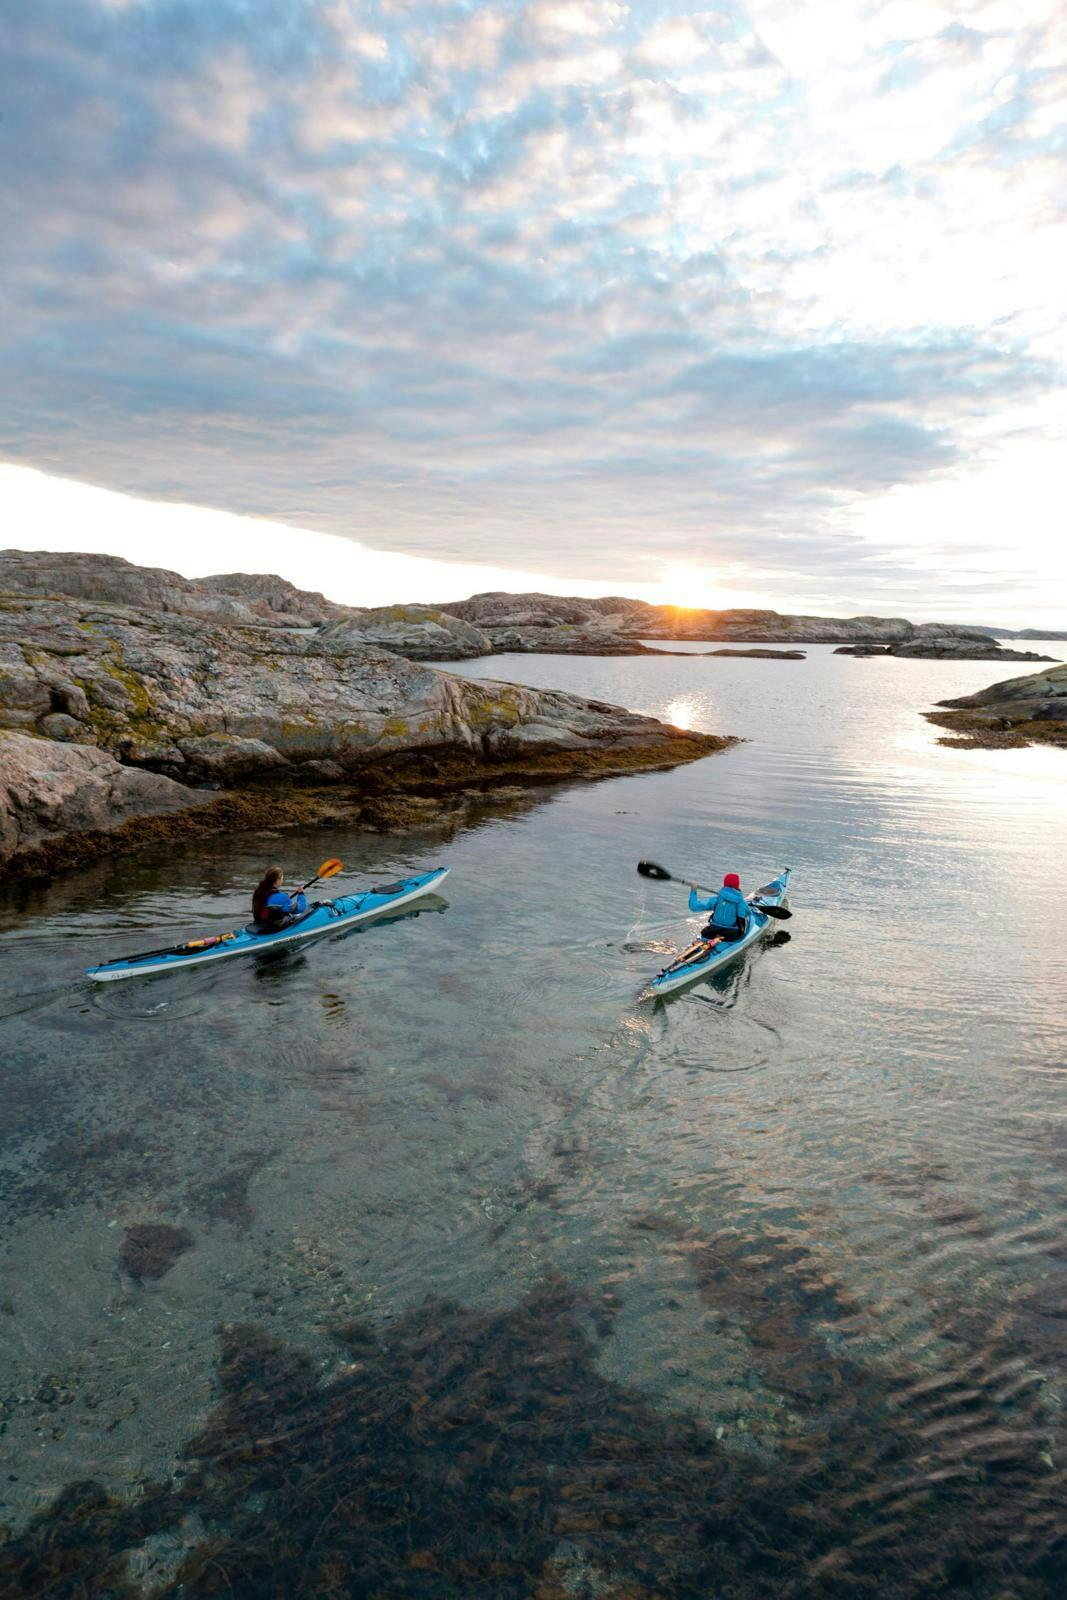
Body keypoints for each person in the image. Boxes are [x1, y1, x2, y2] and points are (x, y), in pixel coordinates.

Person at [688, 871, 748, 942]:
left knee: (705, 931)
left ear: (725, 884)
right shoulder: (741, 902)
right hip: (730, 935)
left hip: (713, 932)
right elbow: (747, 913)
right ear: (737, 885)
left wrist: (693, 890)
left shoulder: (716, 899)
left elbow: (694, 906)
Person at [251, 867, 307, 932]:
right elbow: (300, 908)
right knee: (294, 915)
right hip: (272, 928)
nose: (282, 881)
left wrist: (285, 902)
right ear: (277, 880)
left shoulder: (258, 892)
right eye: (282, 878)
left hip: (259, 923)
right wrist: (301, 894)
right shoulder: (281, 897)